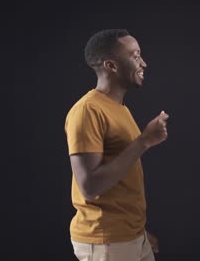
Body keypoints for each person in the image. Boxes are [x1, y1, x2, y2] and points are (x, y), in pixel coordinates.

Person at [65, 29, 168, 261]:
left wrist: (138, 232)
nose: (144, 63)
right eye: (135, 56)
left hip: (128, 237)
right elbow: (90, 186)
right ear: (112, 66)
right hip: (105, 242)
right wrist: (144, 141)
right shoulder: (87, 111)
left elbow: (120, 179)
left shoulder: (120, 109)